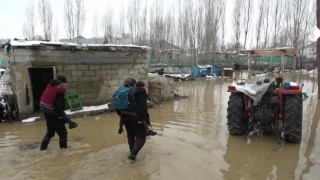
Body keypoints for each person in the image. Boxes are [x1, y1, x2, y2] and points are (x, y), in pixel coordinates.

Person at [116, 78, 148, 162]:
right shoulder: (138, 92)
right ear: (134, 84)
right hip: (136, 118)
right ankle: (133, 154)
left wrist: (122, 116)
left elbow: (117, 108)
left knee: (130, 136)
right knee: (141, 137)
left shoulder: (121, 92)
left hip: (124, 118)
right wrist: (141, 119)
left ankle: (132, 155)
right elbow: (142, 107)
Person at [40, 75, 72, 150]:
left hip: (47, 114)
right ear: (62, 84)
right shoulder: (59, 93)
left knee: (50, 133)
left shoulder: (50, 89)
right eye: (65, 83)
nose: (65, 85)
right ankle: (63, 152)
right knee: (63, 134)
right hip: (55, 115)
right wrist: (60, 116)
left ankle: (42, 149)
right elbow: (58, 106)